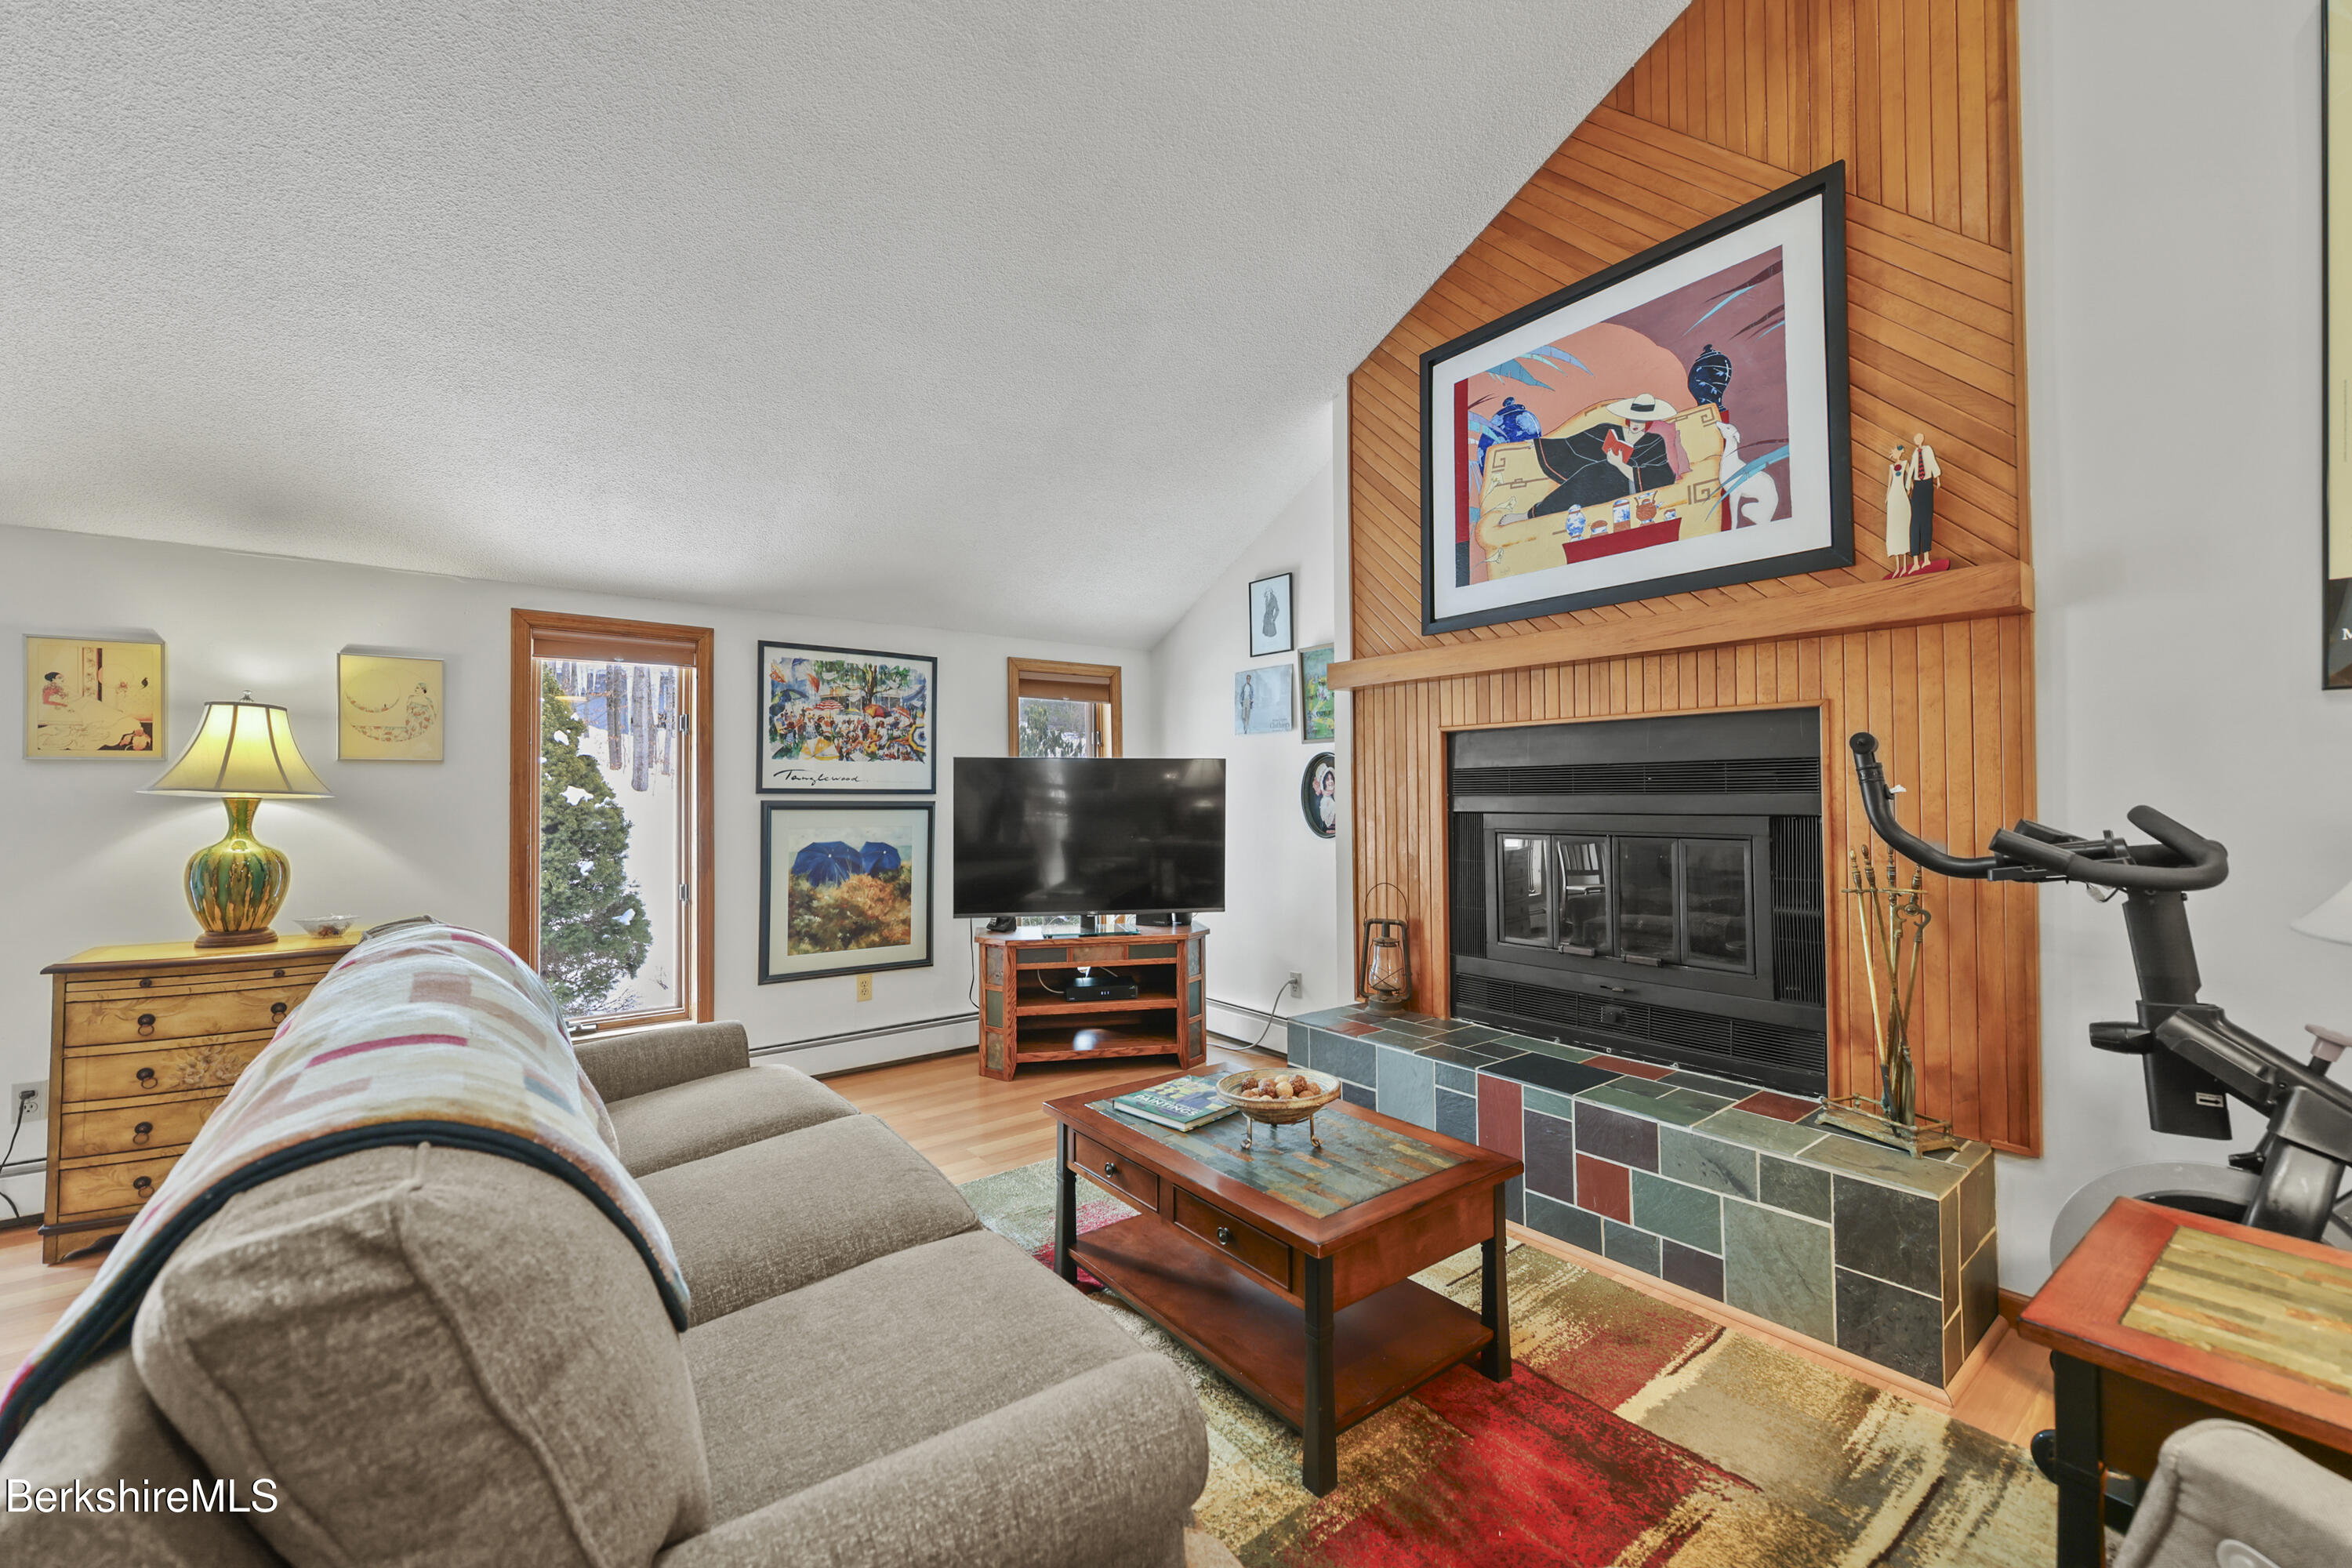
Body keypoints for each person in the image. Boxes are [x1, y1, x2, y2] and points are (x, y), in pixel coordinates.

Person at [1529, 394, 1680, 517]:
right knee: (1590, 473)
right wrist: (1536, 444)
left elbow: (1660, 476)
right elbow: (1575, 444)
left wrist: (1620, 465)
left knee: (1597, 472)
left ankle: (1535, 513)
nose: (1636, 424)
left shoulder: (1654, 441)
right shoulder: (1607, 429)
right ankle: (1539, 511)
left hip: (1629, 488)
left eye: (1641, 421)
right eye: (1634, 418)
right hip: (1598, 481)